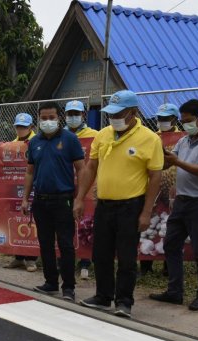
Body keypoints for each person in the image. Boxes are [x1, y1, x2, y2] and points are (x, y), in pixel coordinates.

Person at [73, 89, 163, 318]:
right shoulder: (102, 135)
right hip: (104, 204)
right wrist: (80, 197)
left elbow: (155, 177)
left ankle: (124, 301)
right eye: (111, 113)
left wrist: (146, 213)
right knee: (100, 253)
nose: (114, 118)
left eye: (119, 113)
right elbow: (90, 167)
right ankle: (103, 296)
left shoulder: (150, 139)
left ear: (133, 112)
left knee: (126, 257)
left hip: (130, 206)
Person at [148, 99, 198, 311]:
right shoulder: (185, 141)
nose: (186, 125)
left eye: (189, 121)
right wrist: (159, 156)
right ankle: (175, 291)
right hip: (181, 201)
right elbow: (170, 161)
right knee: (171, 244)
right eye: (183, 121)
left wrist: (176, 162)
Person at [22, 102, 86, 302]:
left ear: (59, 118)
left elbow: (82, 169)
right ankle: (50, 282)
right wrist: (25, 198)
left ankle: (68, 287)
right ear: (38, 119)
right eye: (44, 118)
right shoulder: (34, 142)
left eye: (51, 117)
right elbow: (30, 172)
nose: (47, 121)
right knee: (45, 243)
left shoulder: (70, 139)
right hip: (41, 200)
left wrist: (80, 198)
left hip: (63, 200)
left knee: (66, 244)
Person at [141, 102, 181, 276]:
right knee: (149, 225)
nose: (162, 121)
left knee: (169, 228)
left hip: (174, 189)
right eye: (160, 119)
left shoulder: (183, 138)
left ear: (174, 119)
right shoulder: (152, 137)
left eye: (166, 119)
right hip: (153, 187)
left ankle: (167, 267)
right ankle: (145, 265)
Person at [65, 100, 98, 279]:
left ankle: (85, 261)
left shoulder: (94, 135)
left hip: (86, 185)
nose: (73, 117)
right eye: (70, 114)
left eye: (76, 114)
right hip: (64, 184)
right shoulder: (60, 134)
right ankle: (65, 259)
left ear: (84, 115)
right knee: (65, 223)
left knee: (85, 222)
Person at [7, 112, 38, 272]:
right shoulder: (11, 145)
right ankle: (18, 257)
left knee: (31, 221)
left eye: (24, 126)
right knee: (16, 218)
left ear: (31, 127)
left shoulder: (37, 141)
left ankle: (31, 259)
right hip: (15, 186)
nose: (20, 129)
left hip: (32, 186)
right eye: (18, 126)